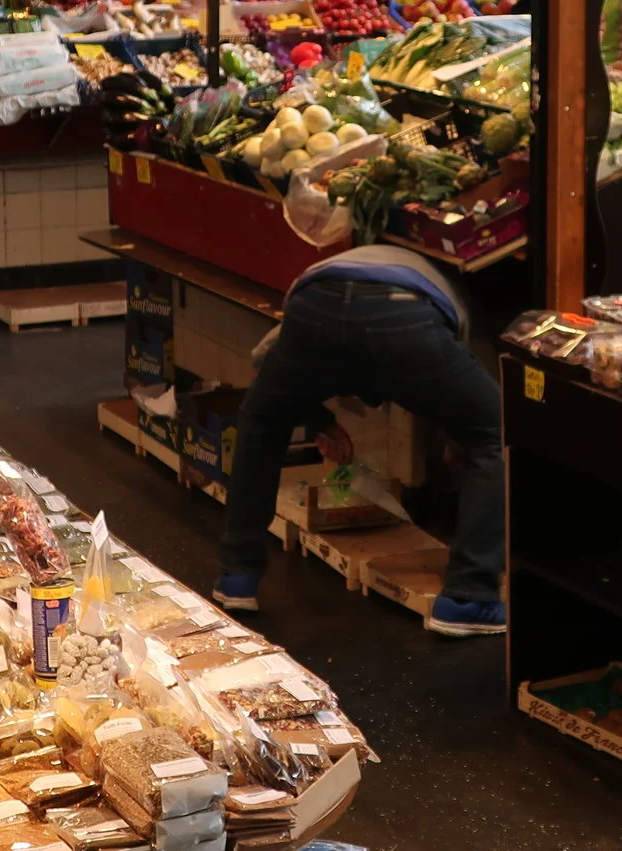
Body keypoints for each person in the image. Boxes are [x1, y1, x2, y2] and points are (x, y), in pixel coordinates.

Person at [212, 246, 505, 637]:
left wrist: (318, 419)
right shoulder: (455, 304)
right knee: (497, 430)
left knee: (261, 423)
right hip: (403, 315)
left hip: (314, 309)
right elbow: (458, 394)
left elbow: (269, 365)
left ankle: (237, 577)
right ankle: (469, 597)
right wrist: (460, 437)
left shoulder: (339, 272)